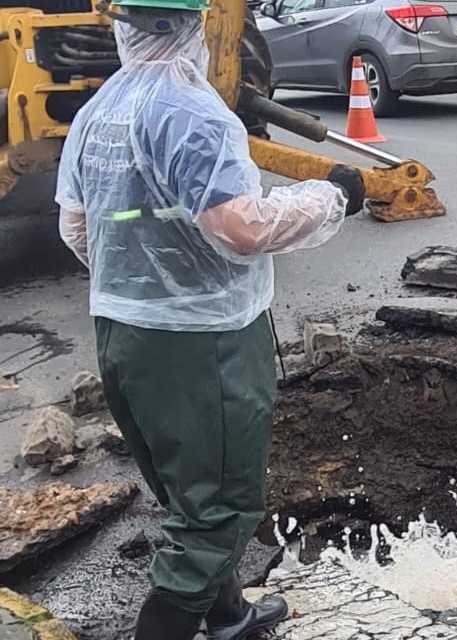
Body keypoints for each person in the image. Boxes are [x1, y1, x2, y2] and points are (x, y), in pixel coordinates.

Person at [55, 0, 363, 637]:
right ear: (195, 26)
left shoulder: (98, 111)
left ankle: (228, 616)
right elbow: (240, 229)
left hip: (122, 332)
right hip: (203, 345)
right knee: (219, 507)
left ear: (122, 26)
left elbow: (78, 227)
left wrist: (142, 275)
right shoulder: (193, 114)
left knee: (183, 488)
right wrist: (330, 198)